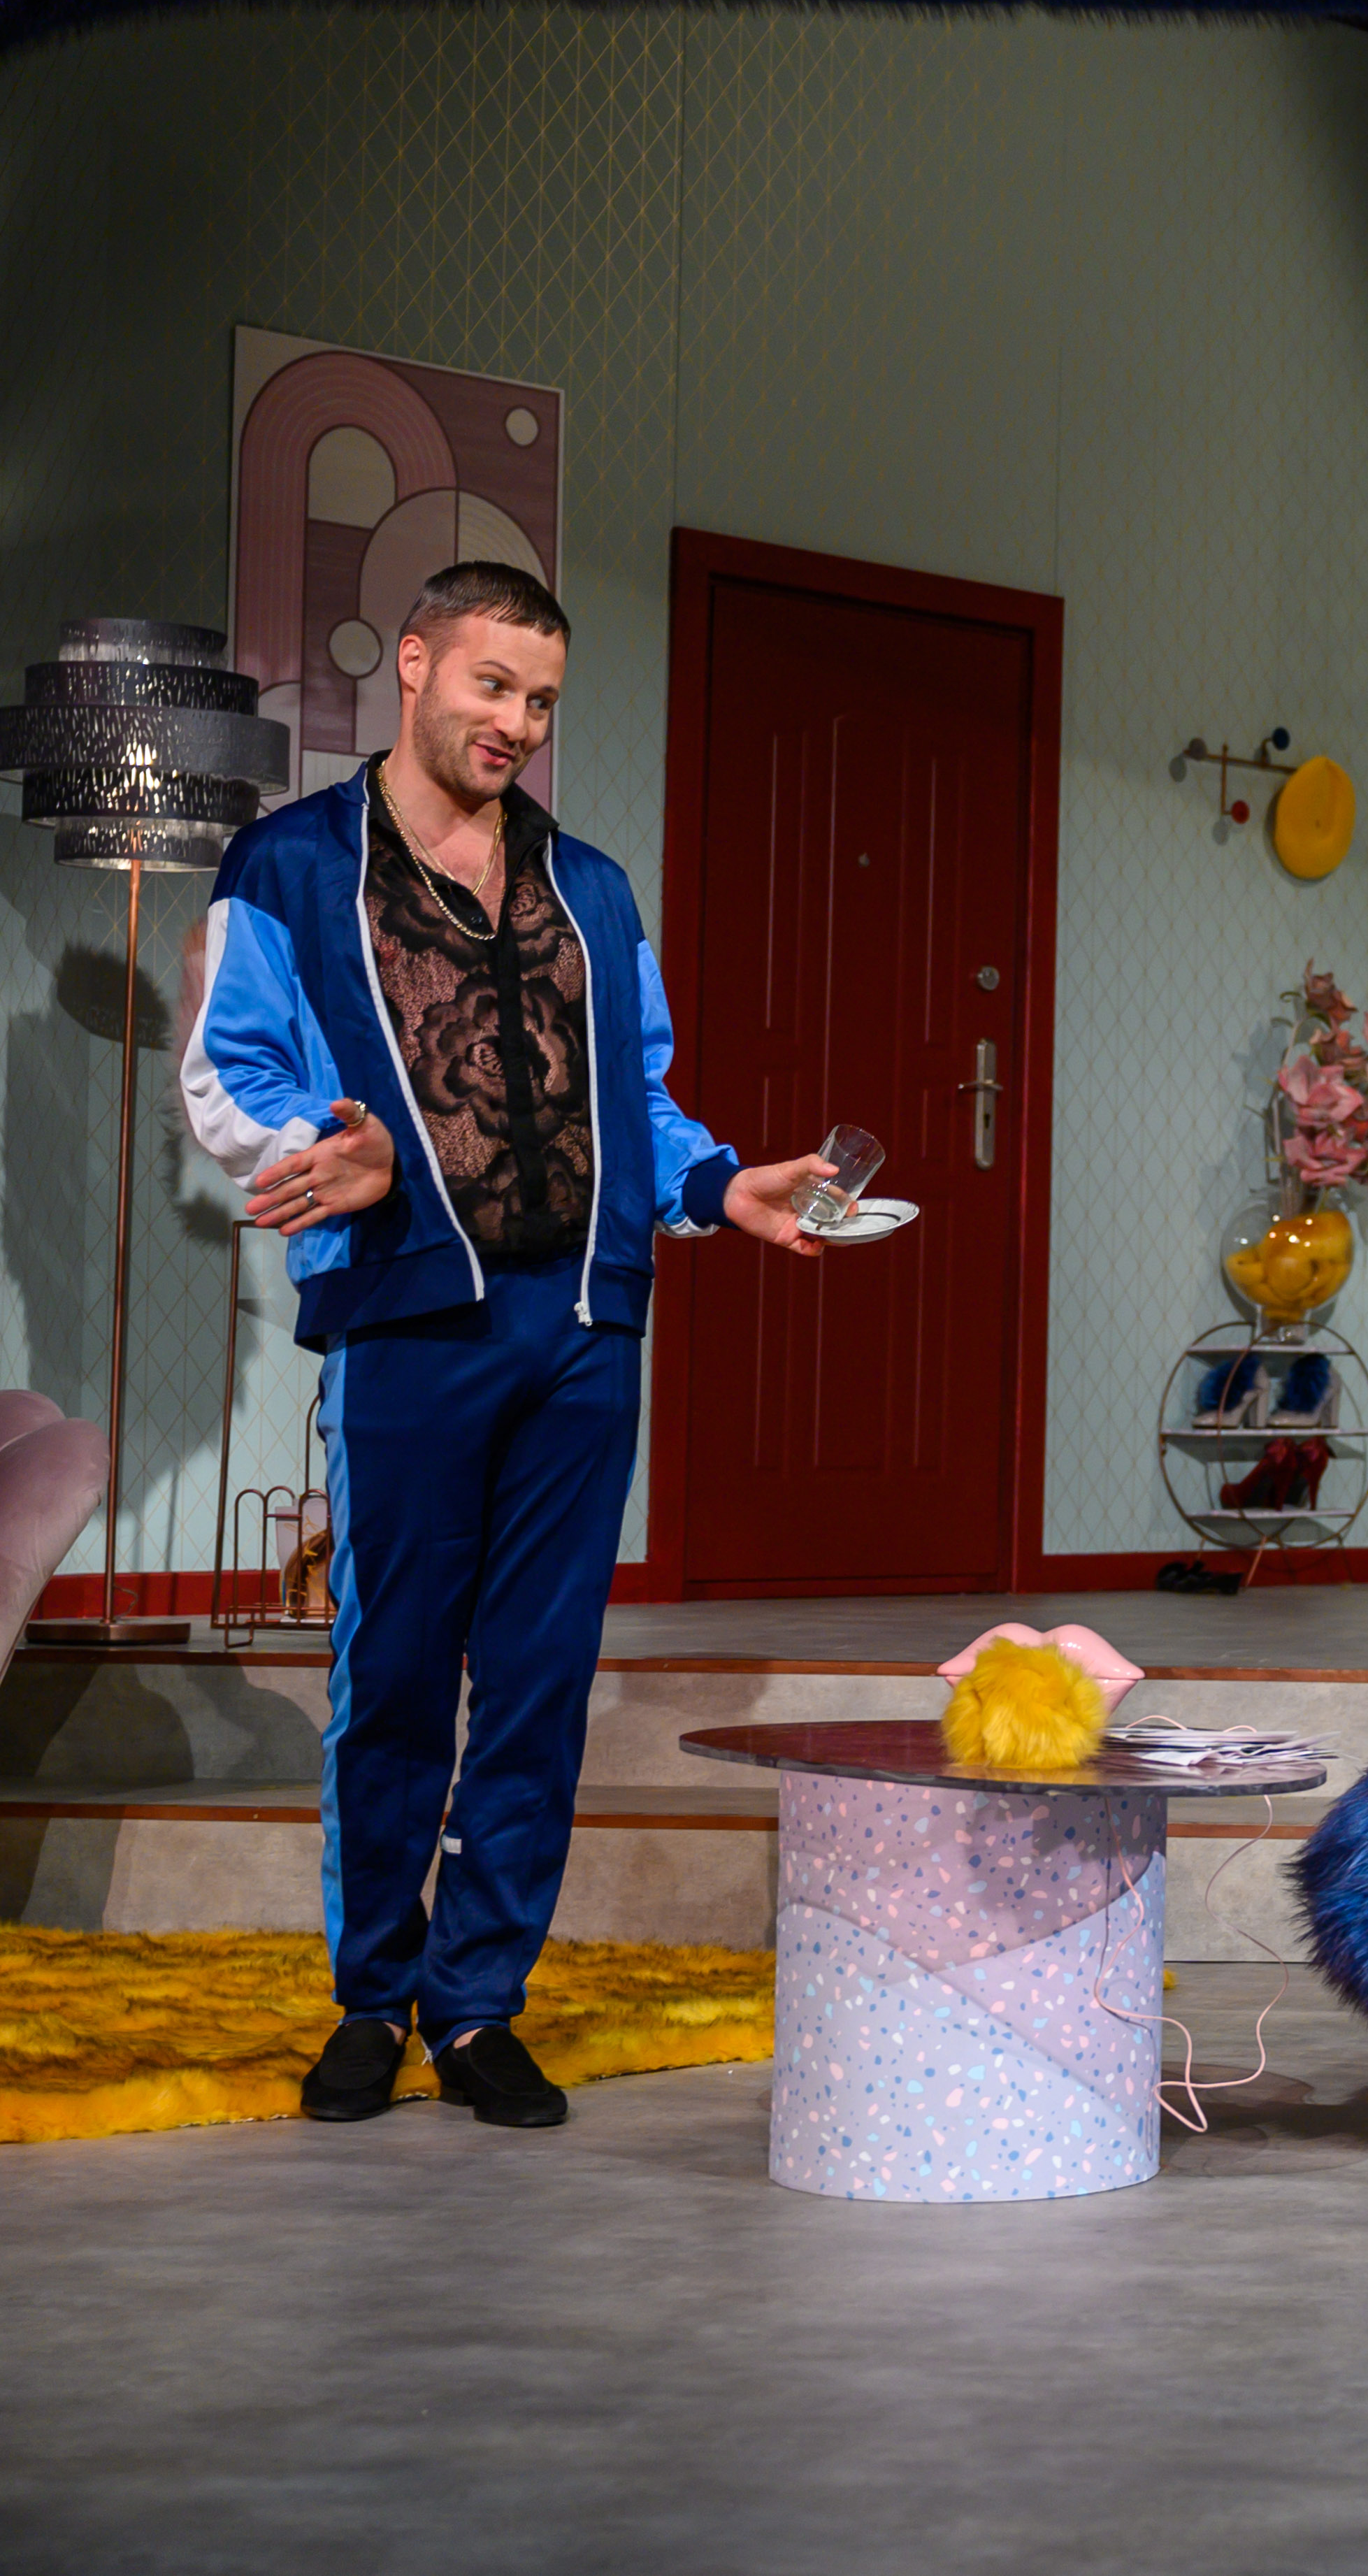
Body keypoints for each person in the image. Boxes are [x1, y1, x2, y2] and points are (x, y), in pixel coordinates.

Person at [182, 563, 835, 2130]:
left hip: (585, 1327)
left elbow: (641, 1095)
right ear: (413, 665)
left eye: (540, 700)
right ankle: (372, 1996)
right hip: (413, 1318)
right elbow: (228, 1072)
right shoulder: (289, 863)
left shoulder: (593, 889)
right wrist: (322, 1147)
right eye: (492, 685)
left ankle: (478, 2005)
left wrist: (717, 1186)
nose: (517, 722)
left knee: (539, 1679)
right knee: (396, 1670)